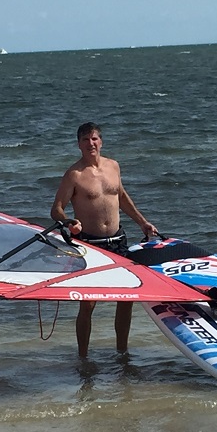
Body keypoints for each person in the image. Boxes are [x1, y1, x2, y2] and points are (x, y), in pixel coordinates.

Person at [51, 122, 159, 358]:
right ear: (78, 144)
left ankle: (122, 353)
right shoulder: (74, 175)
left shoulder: (113, 166)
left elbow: (121, 196)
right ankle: (83, 357)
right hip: (90, 244)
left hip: (118, 240)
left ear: (101, 141)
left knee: (126, 298)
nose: (91, 143)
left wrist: (142, 222)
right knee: (88, 303)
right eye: (85, 140)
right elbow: (56, 209)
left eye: (94, 139)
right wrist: (69, 221)